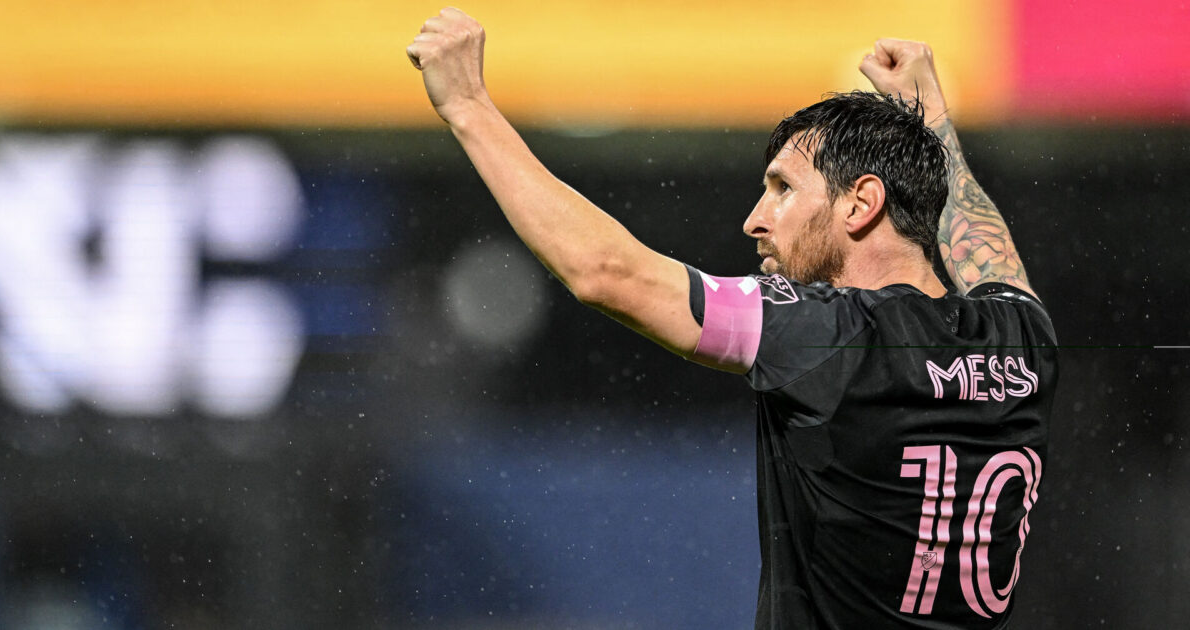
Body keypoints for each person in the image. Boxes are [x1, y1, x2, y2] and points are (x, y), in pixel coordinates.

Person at [408, 10, 1057, 629]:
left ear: (861, 203)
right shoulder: (1022, 340)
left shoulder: (827, 335)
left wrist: (468, 106)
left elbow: (609, 273)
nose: (755, 219)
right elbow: (985, 249)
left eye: (783, 188)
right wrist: (933, 118)